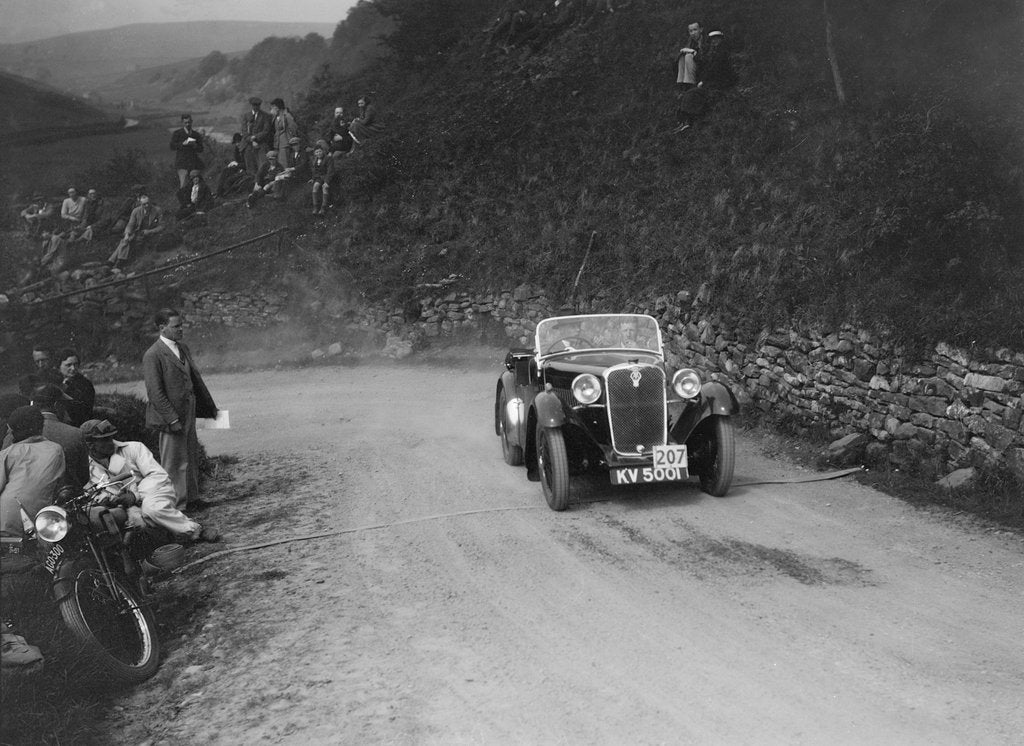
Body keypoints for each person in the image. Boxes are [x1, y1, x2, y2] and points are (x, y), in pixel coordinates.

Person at [81, 420, 218, 542]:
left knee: (152, 509)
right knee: (131, 524)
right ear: (90, 445)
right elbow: (92, 491)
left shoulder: (134, 448)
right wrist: (108, 500)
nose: (110, 442)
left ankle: (197, 530)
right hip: (125, 506)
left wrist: (135, 495)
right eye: (104, 440)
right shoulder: (86, 467)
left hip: (153, 493)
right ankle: (166, 535)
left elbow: (158, 476)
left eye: (111, 437)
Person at [142, 309, 217, 510]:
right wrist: (172, 419)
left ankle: (192, 498)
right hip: (171, 416)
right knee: (174, 461)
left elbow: (193, 379)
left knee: (190, 455)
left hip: (188, 410)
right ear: (162, 328)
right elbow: (155, 393)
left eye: (181, 325)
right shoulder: (153, 355)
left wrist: (206, 406)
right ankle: (177, 504)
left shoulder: (182, 348)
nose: (181, 329)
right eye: (176, 326)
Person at [0, 407, 65, 538]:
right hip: (41, 522)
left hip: (5, 519)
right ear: (41, 427)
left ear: (13, 431)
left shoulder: (7, 453)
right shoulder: (56, 450)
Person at [25, 385, 89, 487]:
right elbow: (84, 477)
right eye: (64, 405)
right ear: (56, 405)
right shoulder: (75, 433)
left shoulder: (17, 432)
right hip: (66, 498)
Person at [108, 192, 163, 267]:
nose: (146, 206)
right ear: (140, 204)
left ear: (150, 202)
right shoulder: (136, 211)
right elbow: (130, 225)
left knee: (126, 242)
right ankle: (117, 262)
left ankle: (114, 261)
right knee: (126, 240)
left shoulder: (157, 210)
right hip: (138, 232)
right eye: (144, 204)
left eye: (148, 203)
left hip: (150, 233)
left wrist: (150, 231)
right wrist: (127, 234)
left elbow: (162, 226)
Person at [57, 348, 95, 427]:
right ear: (59, 366)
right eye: (68, 365)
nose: (73, 368)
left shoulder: (85, 384)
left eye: (76, 364)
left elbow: (84, 410)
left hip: (78, 424)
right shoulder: (54, 382)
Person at [169, 113, 205, 188]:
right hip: (182, 163)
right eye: (185, 123)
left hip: (194, 163)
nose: (188, 124)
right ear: (182, 123)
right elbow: (172, 146)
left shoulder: (196, 135)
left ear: (191, 122)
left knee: (196, 184)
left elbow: (201, 149)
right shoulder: (177, 133)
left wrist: (195, 146)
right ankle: (183, 199)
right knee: (184, 184)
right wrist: (183, 144)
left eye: (189, 122)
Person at [241, 96, 273, 174]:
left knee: (262, 166)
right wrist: (251, 140)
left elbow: (266, 131)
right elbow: (244, 131)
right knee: (250, 168)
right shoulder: (246, 116)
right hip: (249, 145)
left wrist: (255, 137)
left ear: (259, 105)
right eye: (254, 105)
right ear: (251, 105)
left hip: (261, 144)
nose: (256, 107)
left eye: (257, 105)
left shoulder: (265, 116)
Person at [216, 133, 251, 198]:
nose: (237, 144)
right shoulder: (237, 149)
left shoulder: (247, 150)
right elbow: (237, 159)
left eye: (238, 142)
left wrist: (238, 164)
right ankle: (219, 192)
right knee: (225, 171)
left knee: (229, 178)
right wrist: (234, 163)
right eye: (236, 142)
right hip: (239, 167)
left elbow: (248, 164)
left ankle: (222, 193)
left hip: (245, 169)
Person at [676, 21, 704, 91]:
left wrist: (693, 52)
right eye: (691, 31)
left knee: (688, 56)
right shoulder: (690, 41)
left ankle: (691, 84)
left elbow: (705, 57)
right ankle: (682, 84)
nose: (693, 33)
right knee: (682, 57)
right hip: (694, 67)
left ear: (701, 30)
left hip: (704, 68)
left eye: (695, 30)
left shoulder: (706, 41)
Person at [269, 98, 296, 166]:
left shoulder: (287, 116)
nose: (271, 110)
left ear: (277, 108)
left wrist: (291, 139)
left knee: (284, 162)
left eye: (273, 108)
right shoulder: (275, 118)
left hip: (285, 143)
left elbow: (293, 128)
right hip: (277, 144)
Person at [309, 144, 333, 215]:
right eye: (316, 152)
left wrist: (327, 182)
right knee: (315, 186)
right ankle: (315, 207)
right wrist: (313, 179)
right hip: (319, 177)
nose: (318, 153)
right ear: (314, 153)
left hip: (327, 177)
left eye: (320, 151)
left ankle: (323, 208)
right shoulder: (315, 160)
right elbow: (315, 171)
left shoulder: (328, 158)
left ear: (323, 151)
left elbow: (330, 171)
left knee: (324, 188)